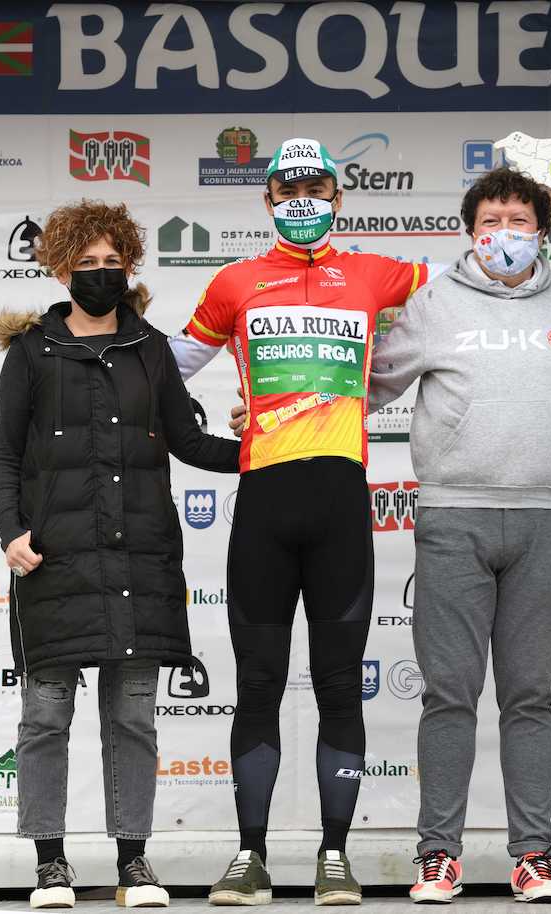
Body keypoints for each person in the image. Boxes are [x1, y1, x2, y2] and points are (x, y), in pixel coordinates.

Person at [168, 138, 436, 907]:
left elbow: (471, 282)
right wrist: (208, 438)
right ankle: (249, 856)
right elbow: (160, 371)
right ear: (266, 201)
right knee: (256, 684)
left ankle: (333, 856)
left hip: (340, 505)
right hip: (263, 503)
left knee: (339, 687)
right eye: (287, 190)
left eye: (315, 187)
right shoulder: (235, 282)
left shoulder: (374, 273)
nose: (302, 200)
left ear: (338, 197)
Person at [0, 199, 240, 910]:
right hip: (54, 562)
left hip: (139, 562)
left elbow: (190, 442)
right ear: (61, 270)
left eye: (112, 262)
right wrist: (11, 531)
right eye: (87, 263)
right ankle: (50, 865)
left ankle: (134, 863)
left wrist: (268, 450)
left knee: (132, 718)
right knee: (45, 716)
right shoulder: (31, 352)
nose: (101, 274)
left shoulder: (151, 349)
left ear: (128, 267)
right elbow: (5, 456)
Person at [366, 166, 551, 904]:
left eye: (519, 221)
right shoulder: (433, 301)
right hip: (452, 516)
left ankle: (533, 857)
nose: (503, 234)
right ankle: (438, 855)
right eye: (490, 221)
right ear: (469, 232)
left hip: (543, 519)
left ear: (542, 231)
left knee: (529, 697)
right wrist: (279, 405)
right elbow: (366, 384)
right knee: (449, 695)